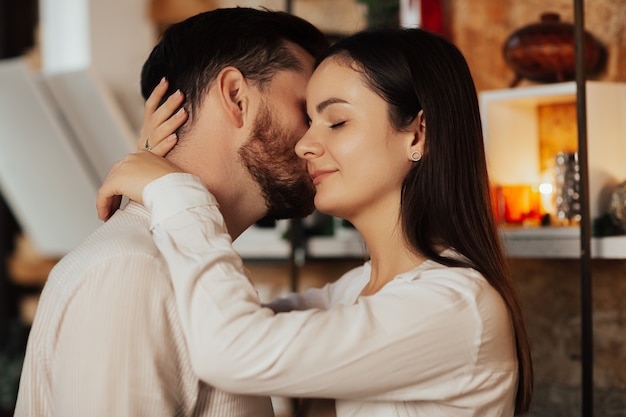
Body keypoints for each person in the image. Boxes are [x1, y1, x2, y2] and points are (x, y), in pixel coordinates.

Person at [97, 27, 534, 416]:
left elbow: (232, 349)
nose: (305, 144)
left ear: (418, 134)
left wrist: (173, 189)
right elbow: (203, 322)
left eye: (337, 121)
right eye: (309, 120)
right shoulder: (351, 294)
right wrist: (159, 163)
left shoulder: (456, 307)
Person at [14, 7, 329, 417]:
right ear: (236, 97)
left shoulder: (184, 265)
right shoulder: (132, 270)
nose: (319, 140)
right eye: (308, 112)